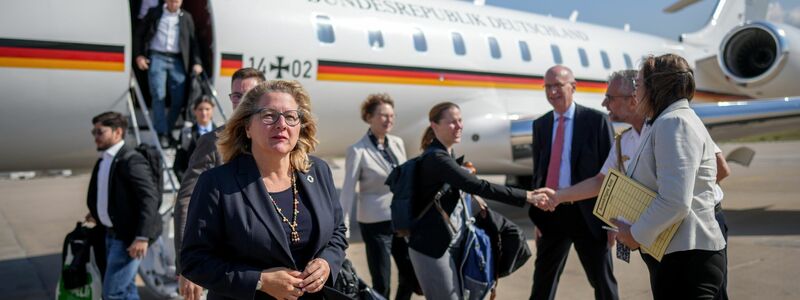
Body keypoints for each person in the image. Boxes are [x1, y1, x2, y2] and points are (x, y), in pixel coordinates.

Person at [180, 80, 348, 300]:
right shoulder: (217, 183)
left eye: (290, 117)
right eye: (269, 115)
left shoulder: (319, 172)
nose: (281, 124)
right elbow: (194, 260)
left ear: (300, 126)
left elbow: (337, 232)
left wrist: (327, 263)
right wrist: (259, 281)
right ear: (247, 127)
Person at [613, 53, 726, 299]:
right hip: (681, 258)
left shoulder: (674, 123)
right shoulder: (668, 120)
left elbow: (675, 201)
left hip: (686, 263)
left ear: (655, 87)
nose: (635, 92)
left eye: (639, 84)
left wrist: (634, 234)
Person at [409, 102, 541, 300]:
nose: (459, 126)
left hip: (449, 242)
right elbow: (478, 186)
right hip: (430, 247)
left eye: (460, 120)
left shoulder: (447, 156)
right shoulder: (436, 158)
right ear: (435, 125)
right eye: (452, 122)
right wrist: (527, 196)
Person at [174, 67, 265, 299]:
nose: (242, 100)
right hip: (230, 272)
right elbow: (187, 201)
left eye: (250, 94)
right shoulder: (213, 143)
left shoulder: (282, 140)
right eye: (236, 95)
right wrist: (187, 264)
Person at [528, 65, 618, 300]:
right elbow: (539, 173)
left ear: (573, 87)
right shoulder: (541, 125)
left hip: (588, 213)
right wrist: (539, 217)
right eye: (548, 86)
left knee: (602, 282)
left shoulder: (596, 121)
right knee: (542, 283)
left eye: (558, 85)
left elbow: (612, 175)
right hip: (551, 213)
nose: (552, 91)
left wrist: (612, 221)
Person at [339, 93, 416, 299]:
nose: (389, 119)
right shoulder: (358, 150)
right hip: (375, 224)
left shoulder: (397, 143)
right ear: (369, 117)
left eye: (392, 115)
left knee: (409, 274)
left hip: (400, 220)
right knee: (382, 281)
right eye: (383, 115)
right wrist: (341, 227)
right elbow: (347, 191)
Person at [85, 111, 162, 300]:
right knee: (127, 290)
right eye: (93, 132)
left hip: (129, 238)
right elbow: (110, 193)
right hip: (110, 233)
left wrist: (142, 237)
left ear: (117, 132)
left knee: (112, 292)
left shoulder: (131, 160)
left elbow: (149, 198)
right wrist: (98, 212)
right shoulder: (105, 160)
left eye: (100, 132)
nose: (95, 137)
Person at [134, 0, 203, 148]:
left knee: (179, 98)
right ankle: (162, 133)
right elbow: (140, 34)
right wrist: (139, 55)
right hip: (157, 56)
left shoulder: (186, 17)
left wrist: (197, 62)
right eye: (172, 1)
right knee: (158, 94)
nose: (175, 4)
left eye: (178, 1)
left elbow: (193, 42)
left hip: (177, 59)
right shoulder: (154, 13)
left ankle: (167, 129)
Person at [173, 96, 215, 181]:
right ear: (194, 111)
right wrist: (186, 183)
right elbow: (178, 164)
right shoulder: (186, 133)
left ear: (212, 110)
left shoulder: (222, 133)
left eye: (207, 109)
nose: (204, 113)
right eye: (200, 109)